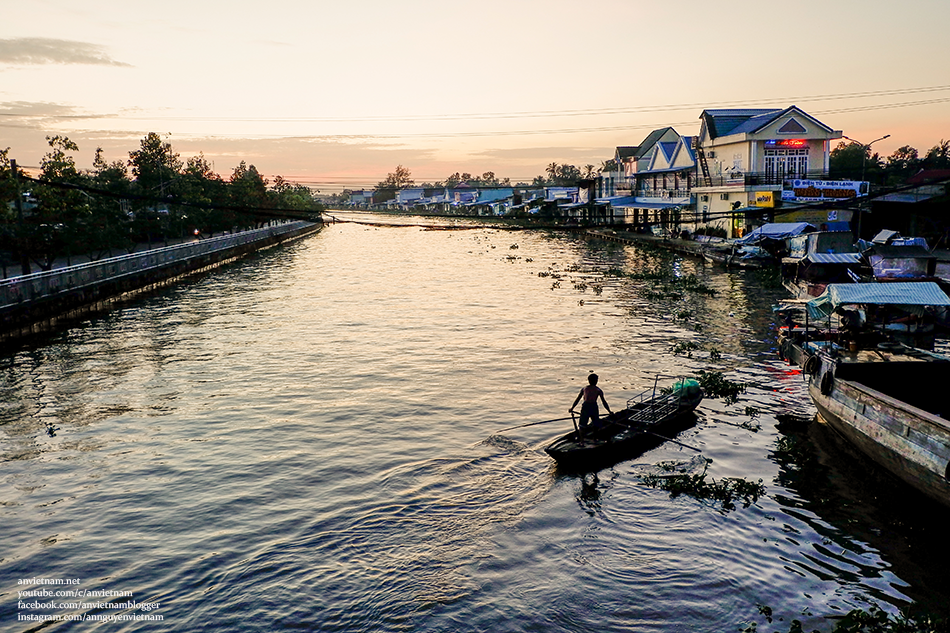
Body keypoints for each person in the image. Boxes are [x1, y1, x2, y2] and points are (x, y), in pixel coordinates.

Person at [570, 373, 612, 439]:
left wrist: (609, 411)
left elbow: (604, 402)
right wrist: (572, 408)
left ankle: (585, 440)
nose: (596, 381)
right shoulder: (590, 389)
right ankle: (589, 440)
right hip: (589, 407)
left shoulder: (592, 390)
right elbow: (604, 402)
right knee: (587, 425)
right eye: (596, 380)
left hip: (590, 407)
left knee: (590, 425)